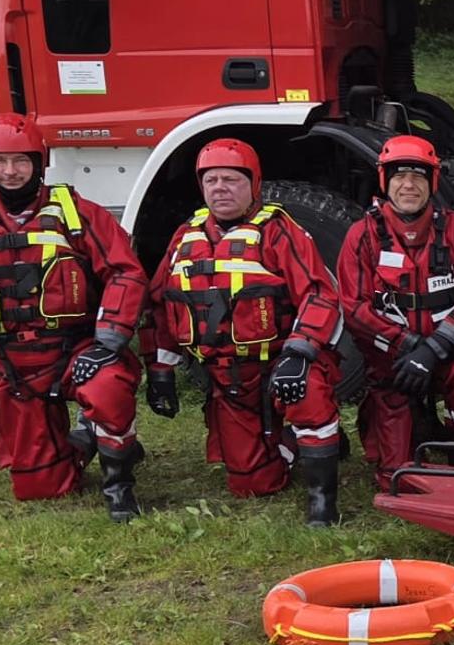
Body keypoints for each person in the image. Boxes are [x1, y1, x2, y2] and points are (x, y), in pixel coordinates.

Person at [0, 113, 148, 520]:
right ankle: (83, 440)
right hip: (14, 368)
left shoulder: (77, 215)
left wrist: (109, 341)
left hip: (78, 352)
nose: (10, 171)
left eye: (21, 160)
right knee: (41, 488)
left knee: (108, 387)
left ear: (38, 162)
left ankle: (119, 484)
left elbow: (125, 272)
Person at [143, 138, 348, 526]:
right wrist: (161, 371)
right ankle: (291, 445)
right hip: (229, 379)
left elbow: (321, 296)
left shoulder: (278, 231)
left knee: (308, 396)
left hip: (282, 365)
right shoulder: (184, 238)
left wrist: (300, 354)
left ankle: (322, 499)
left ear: (253, 184)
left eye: (231, 180)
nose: (220, 188)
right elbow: (161, 304)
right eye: (211, 180)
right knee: (252, 484)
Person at [336, 135, 454, 489]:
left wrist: (440, 343)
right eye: (399, 176)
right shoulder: (362, 235)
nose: (408, 185)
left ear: (432, 182)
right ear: (385, 181)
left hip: (446, 352)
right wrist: (409, 346)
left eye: (418, 176)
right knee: (398, 480)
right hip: (394, 361)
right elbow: (354, 307)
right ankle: (401, 420)